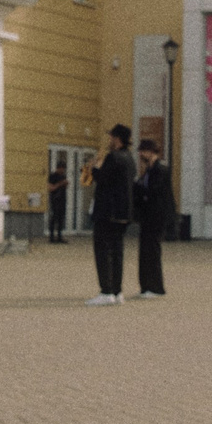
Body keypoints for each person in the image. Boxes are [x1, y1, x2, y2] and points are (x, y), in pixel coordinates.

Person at [85, 126, 134, 306]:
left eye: (111, 136)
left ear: (117, 138)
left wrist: (94, 167)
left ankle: (106, 291)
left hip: (107, 212)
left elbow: (103, 179)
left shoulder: (113, 157)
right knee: (117, 252)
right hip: (122, 212)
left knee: (103, 251)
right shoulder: (130, 158)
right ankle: (117, 291)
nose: (109, 140)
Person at [133, 137, 170, 298]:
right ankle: (146, 286)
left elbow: (154, 191)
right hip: (147, 217)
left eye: (143, 151)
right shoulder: (148, 170)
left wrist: (139, 189)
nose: (141, 154)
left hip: (156, 217)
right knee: (145, 252)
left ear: (150, 151)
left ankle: (156, 288)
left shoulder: (160, 169)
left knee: (153, 253)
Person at [45, 158, 69, 245]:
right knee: (54, 218)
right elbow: (51, 188)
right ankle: (51, 237)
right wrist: (60, 184)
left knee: (61, 219)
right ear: (58, 168)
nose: (63, 170)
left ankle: (59, 236)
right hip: (55, 200)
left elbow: (64, 187)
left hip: (62, 199)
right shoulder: (52, 176)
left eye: (64, 169)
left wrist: (65, 184)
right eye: (62, 168)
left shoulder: (63, 176)